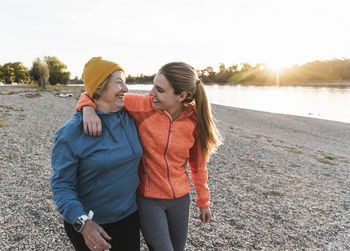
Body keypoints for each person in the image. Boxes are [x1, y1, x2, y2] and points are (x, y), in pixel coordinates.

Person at [76, 61, 221, 251]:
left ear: (181, 96)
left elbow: (197, 165)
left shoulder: (194, 120)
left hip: (180, 199)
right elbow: (98, 95)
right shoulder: (143, 105)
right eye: (153, 85)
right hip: (149, 199)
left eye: (159, 90)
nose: (152, 92)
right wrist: (86, 108)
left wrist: (203, 201)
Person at [51, 57, 143, 251]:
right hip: (91, 222)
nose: (125, 89)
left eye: (125, 82)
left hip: (129, 216)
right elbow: (61, 185)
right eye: (119, 82)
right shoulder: (70, 133)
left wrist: (86, 103)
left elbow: (168, 100)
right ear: (100, 89)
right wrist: (83, 224)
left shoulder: (132, 115)